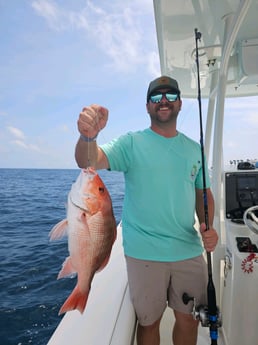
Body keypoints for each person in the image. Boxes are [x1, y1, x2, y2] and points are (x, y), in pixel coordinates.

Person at [75, 75, 218, 345]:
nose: (163, 101)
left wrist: (209, 227)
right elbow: (88, 159)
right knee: (149, 322)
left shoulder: (194, 149)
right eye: (156, 97)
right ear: (147, 106)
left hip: (187, 250)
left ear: (179, 103)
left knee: (187, 318)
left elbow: (203, 193)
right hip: (143, 254)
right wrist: (87, 136)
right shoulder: (131, 143)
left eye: (170, 95)